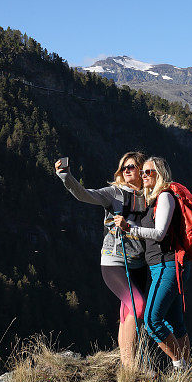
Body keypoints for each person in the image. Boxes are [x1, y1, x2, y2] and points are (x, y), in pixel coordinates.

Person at [54, 151, 149, 368]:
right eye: (124, 167)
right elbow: (84, 194)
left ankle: (127, 367)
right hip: (114, 261)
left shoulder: (149, 195)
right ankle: (131, 366)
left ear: (141, 170)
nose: (126, 170)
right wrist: (65, 176)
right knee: (138, 306)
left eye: (131, 167)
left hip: (140, 264)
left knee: (129, 311)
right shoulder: (113, 193)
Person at [114, 156, 190, 370]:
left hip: (169, 266)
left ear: (160, 175)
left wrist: (130, 229)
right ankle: (188, 373)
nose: (144, 175)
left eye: (150, 172)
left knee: (151, 321)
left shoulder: (164, 197)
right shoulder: (152, 200)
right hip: (161, 267)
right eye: (144, 171)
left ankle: (180, 366)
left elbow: (159, 233)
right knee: (176, 324)